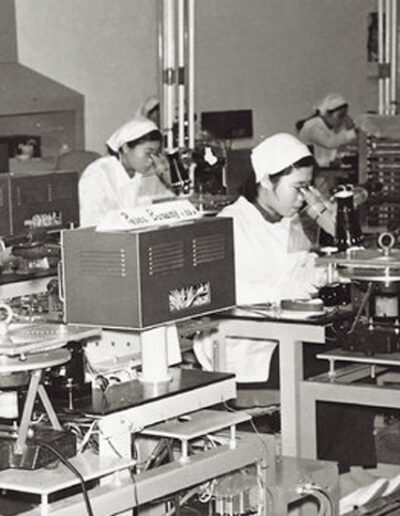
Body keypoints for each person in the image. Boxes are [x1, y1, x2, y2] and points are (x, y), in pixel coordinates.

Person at [79, 117, 173, 227]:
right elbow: (90, 224)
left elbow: (170, 208)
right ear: (125, 148)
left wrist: (166, 174)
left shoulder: (144, 174)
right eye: (148, 153)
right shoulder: (97, 175)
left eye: (156, 154)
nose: (152, 160)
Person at [297, 93, 357, 169]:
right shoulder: (313, 126)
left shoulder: (330, 128)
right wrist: (351, 132)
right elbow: (329, 143)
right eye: (340, 116)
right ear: (327, 114)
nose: (343, 120)